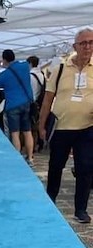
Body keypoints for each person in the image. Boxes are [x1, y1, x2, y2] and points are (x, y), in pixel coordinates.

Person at [38, 28, 93, 223]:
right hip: (61, 127)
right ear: (75, 46)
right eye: (83, 43)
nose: (87, 46)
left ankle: (81, 210)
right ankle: (50, 201)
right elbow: (47, 99)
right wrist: (41, 125)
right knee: (55, 166)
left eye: (91, 42)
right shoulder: (60, 69)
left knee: (85, 169)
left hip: (87, 128)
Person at [0, 49, 34, 165]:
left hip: (12, 106)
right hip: (26, 103)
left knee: (15, 133)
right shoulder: (25, 66)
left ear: (4, 59)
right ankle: (30, 158)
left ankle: (17, 158)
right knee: (27, 131)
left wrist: (1, 67)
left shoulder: (4, 75)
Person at [27, 55, 45, 152]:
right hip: (40, 103)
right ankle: (39, 144)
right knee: (37, 126)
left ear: (30, 63)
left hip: (32, 103)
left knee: (29, 128)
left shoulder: (30, 76)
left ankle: (31, 148)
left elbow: (29, 91)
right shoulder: (42, 74)